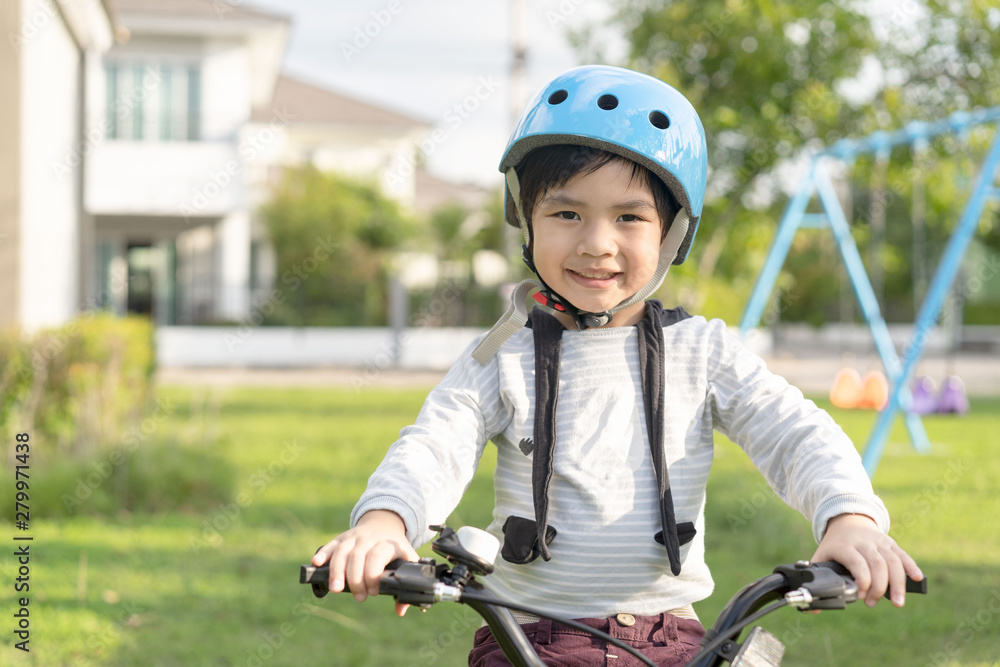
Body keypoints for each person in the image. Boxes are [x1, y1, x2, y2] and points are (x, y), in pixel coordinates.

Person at [311, 65, 923, 665]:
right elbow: (434, 443)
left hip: (673, 642)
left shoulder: (703, 352)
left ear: (673, 232)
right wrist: (386, 523)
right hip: (529, 641)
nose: (596, 242)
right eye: (566, 213)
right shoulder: (505, 354)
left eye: (629, 217)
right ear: (526, 221)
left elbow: (794, 432)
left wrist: (850, 516)